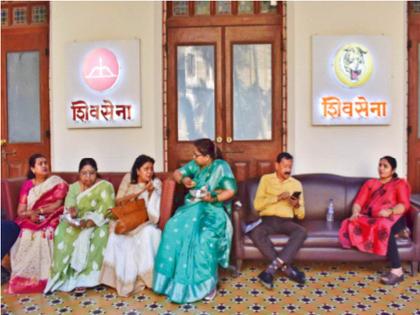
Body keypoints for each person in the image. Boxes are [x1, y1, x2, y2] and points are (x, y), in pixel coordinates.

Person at [153, 138, 237, 303]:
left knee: (204, 237)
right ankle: (170, 282)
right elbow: (177, 173)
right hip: (191, 208)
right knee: (172, 228)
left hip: (213, 210)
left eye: (197, 155)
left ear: (208, 157)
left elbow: (230, 190)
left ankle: (207, 285)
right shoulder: (195, 165)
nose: (194, 157)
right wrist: (183, 180)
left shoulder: (220, 167)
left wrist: (212, 198)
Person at [45, 158, 115, 292]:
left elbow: (108, 210)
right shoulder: (74, 187)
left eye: (91, 173)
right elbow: (69, 207)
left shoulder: (106, 186)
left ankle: (87, 278)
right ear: (79, 174)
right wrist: (73, 213)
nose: (88, 177)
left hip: (99, 221)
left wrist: (92, 221)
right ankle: (65, 275)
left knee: (101, 235)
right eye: (84, 173)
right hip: (79, 221)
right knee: (62, 232)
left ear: (97, 173)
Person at [339, 156, 411, 285]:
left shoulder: (399, 183)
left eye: (385, 166)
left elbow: (404, 205)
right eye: (380, 165)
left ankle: (397, 270)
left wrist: (390, 211)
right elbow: (359, 202)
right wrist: (355, 212)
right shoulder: (370, 183)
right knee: (352, 221)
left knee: (383, 226)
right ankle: (400, 232)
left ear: (393, 169)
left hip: (394, 217)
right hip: (373, 218)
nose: (381, 168)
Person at [100, 155, 162, 296]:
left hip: (142, 220)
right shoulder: (128, 178)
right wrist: (139, 191)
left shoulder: (155, 183)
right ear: (137, 170)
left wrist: (151, 193)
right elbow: (118, 201)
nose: (149, 172)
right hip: (125, 219)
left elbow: (154, 213)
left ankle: (146, 278)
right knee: (116, 236)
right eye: (146, 169)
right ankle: (121, 280)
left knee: (149, 232)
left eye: (151, 169)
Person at [8, 154, 68, 293]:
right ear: (33, 169)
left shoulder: (56, 182)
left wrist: (39, 211)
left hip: (51, 216)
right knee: (26, 233)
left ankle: (48, 278)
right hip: (31, 218)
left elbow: (56, 205)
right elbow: (21, 211)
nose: (44, 165)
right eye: (40, 163)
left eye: (46, 162)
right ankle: (26, 278)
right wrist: (31, 214)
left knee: (46, 233)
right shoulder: (28, 185)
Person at [250, 152, 307, 289]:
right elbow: (257, 205)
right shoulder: (266, 180)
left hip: (286, 221)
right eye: (284, 166)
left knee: (301, 231)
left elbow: (301, 215)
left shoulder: (296, 185)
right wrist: (277, 198)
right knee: (255, 233)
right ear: (276, 165)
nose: (288, 169)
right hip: (267, 220)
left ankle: (270, 270)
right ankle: (287, 269)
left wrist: (296, 205)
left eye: (290, 166)